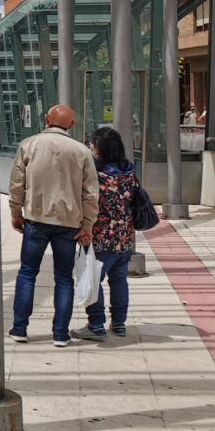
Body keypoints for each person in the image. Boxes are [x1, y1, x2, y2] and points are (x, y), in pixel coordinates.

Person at [8, 104, 97, 347]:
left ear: (47, 119)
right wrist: (87, 224)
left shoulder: (29, 145)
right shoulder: (82, 151)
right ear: (72, 124)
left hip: (36, 219)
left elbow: (17, 184)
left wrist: (16, 212)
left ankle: (19, 329)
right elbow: (90, 193)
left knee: (27, 273)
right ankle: (60, 334)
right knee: (64, 278)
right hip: (69, 223)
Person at [74, 127, 139, 340]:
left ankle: (96, 325)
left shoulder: (97, 175)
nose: (90, 147)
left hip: (101, 237)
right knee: (119, 280)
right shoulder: (129, 171)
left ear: (99, 148)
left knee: (94, 279)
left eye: (92, 144)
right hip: (125, 236)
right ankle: (119, 323)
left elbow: (91, 204)